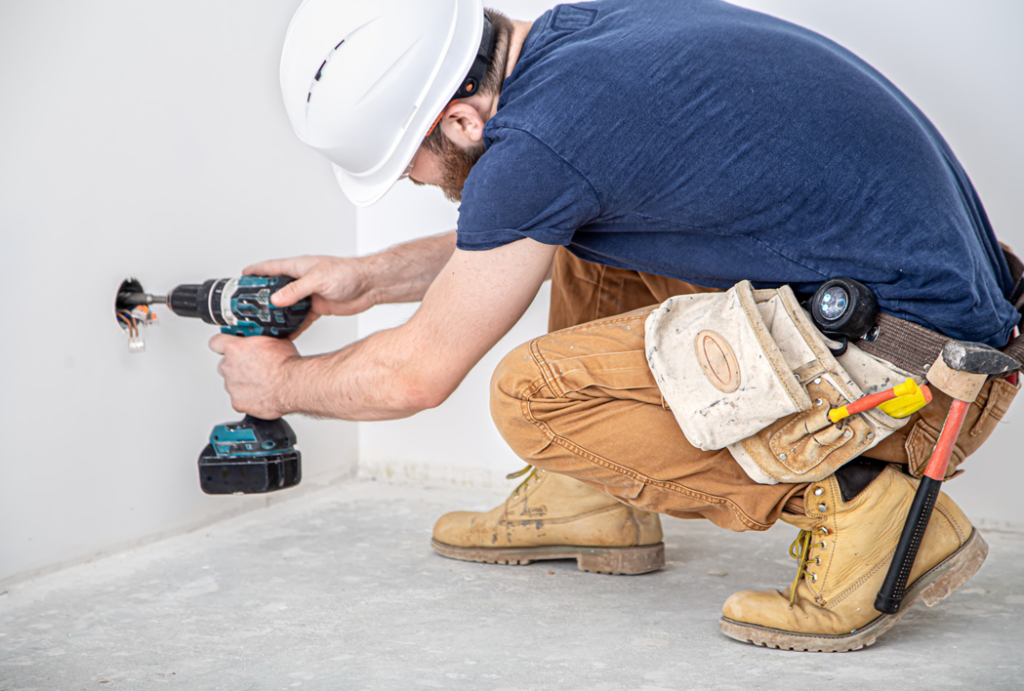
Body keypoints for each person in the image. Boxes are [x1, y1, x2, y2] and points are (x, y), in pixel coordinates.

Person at [210, 0, 1021, 651]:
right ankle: (588, 497)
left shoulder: (538, 143)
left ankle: (865, 508)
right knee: (591, 242)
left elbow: (415, 374)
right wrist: (367, 277)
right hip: (951, 335)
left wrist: (279, 382)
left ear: (460, 121)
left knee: (530, 397)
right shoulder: (581, 44)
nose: (416, 183)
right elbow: (516, 226)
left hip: (915, 379)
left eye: (407, 163)